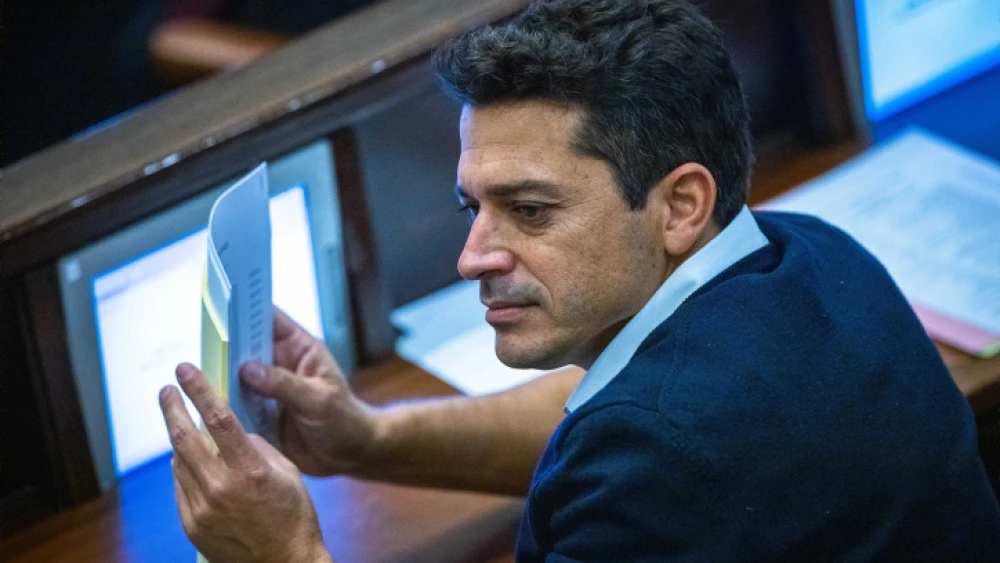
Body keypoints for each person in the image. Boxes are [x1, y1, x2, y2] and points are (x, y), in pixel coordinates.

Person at [158, 0, 1000, 561]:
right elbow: (606, 419)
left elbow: (643, 446)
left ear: (681, 205)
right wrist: (369, 439)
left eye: (529, 211)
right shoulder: (813, 254)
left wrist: (290, 551)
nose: (474, 256)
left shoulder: (657, 468)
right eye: (472, 210)